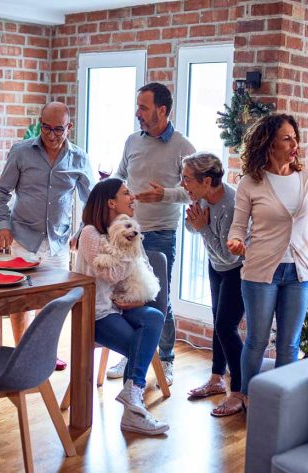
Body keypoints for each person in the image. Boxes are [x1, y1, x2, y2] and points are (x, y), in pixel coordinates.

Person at [227, 113, 308, 402]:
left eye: (295, 137)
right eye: (287, 138)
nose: (294, 143)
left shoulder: (305, 179)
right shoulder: (251, 182)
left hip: (299, 273)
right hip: (261, 272)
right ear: (269, 143)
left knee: (289, 344)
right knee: (257, 342)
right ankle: (247, 397)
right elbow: (238, 225)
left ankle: (281, 404)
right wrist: (235, 240)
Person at [107, 82, 196, 385]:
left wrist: (166, 195)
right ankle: (132, 351)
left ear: (162, 110)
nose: (137, 114)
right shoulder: (133, 141)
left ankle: (166, 360)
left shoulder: (183, 147)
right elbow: (121, 174)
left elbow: (195, 191)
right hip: (126, 233)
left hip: (160, 234)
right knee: (126, 293)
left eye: (143, 108)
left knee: (160, 299)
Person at [0, 101, 95, 359]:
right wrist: (3, 225)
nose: (51, 135)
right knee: (20, 301)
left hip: (58, 242)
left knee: (51, 304)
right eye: (46, 128)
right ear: (40, 124)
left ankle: (42, 352)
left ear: (69, 127)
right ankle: (22, 353)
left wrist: (82, 230)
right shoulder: (21, 152)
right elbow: (2, 192)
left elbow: (91, 201)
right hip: (22, 239)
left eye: (58, 130)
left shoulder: (79, 158)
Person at [76, 178, 169, 435]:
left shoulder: (129, 234)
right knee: (138, 345)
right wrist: (132, 247)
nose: (133, 198)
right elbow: (111, 273)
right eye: (127, 193)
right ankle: (134, 409)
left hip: (122, 307)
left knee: (153, 317)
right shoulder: (90, 234)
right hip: (96, 313)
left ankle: (133, 398)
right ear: (111, 202)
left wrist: (138, 301)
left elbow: (147, 272)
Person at [181, 152, 245, 417]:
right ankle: (217, 379)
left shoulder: (229, 206)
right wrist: (198, 224)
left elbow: (229, 254)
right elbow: (190, 225)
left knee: (225, 326)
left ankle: (241, 390)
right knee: (218, 320)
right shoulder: (203, 198)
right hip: (216, 266)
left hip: (237, 271)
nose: (183, 184)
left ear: (206, 181)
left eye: (187, 179)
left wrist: (202, 228)